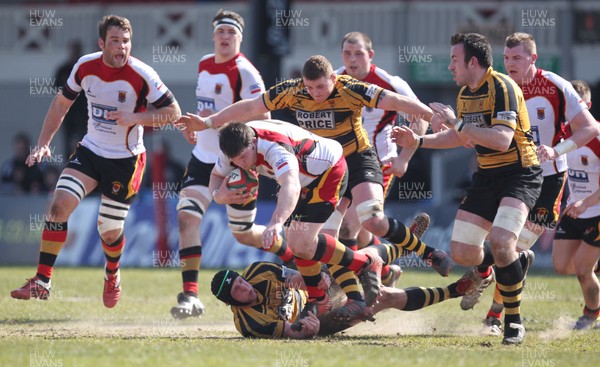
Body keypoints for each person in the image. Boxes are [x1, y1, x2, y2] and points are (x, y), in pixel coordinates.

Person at [178, 54, 451, 286]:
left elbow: (395, 101)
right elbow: (251, 106)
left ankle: (427, 254)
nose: (315, 94)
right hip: (322, 170)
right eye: (310, 87)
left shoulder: (350, 88)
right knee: (328, 242)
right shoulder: (292, 91)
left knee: (373, 220)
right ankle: (377, 276)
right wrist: (209, 122)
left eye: (320, 87)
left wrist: (432, 116)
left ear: (333, 79)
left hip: (357, 158)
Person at [10, 15, 181, 309]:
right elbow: (61, 103)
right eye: (115, 41)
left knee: (109, 230)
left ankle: (112, 273)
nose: (121, 47)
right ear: (102, 43)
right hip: (90, 151)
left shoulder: (142, 73)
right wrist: (43, 144)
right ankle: (42, 281)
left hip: (126, 161)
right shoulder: (85, 66)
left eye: (126, 41)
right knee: (57, 206)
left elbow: (174, 112)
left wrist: (136, 117)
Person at [393, 33, 540, 345]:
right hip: (487, 177)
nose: (449, 67)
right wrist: (417, 142)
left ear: (473, 62)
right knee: (463, 253)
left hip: (520, 174)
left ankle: (513, 322)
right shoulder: (464, 95)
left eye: (454, 60)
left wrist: (455, 123)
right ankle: (512, 261)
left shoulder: (502, 87)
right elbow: (461, 139)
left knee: (501, 241)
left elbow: (501, 139)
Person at [473, 32, 600, 334]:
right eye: (506, 58)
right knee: (499, 245)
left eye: (517, 58)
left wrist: (558, 150)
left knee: (511, 248)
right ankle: (487, 276)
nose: (510, 64)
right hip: (510, 176)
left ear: (533, 58)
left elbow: (590, 127)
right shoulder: (500, 88)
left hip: (549, 180)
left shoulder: (555, 86)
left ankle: (494, 316)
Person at [208, 120, 385, 329]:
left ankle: (364, 265)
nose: (241, 165)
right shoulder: (235, 144)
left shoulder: (275, 148)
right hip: (303, 181)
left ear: (254, 143)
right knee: (300, 244)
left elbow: (291, 186)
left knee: (300, 242)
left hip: (327, 173)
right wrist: (219, 196)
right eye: (235, 161)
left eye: (244, 157)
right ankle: (321, 300)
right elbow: (216, 175)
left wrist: (276, 222)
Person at [170, 9, 287, 320]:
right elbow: (208, 108)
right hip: (202, 160)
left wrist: (218, 127)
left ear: (240, 38)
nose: (225, 37)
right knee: (186, 219)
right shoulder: (204, 64)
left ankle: (297, 255)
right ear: (213, 35)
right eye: (221, 31)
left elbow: (264, 117)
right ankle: (190, 296)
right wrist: (194, 126)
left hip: (236, 164)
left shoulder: (246, 72)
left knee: (244, 234)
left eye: (231, 33)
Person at [335, 32, 443, 285]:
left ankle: (346, 291)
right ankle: (387, 271)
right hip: (343, 166)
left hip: (377, 164)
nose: (352, 60)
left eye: (358, 54)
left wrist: (405, 157)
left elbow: (420, 119)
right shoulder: (333, 81)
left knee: (350, 226)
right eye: (347, 54)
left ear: (370, 55)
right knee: (362, 232)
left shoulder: (390, 83)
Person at [210, 259, 475, 339]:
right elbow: (293, 332)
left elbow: (296, 275)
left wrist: (312, 279)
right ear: (230, 303)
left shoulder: (258, 271)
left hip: (316, 292)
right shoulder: (249, 324)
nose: (245, 288)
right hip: (316, 319)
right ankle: (456, 290)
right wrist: (309, 331)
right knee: (379, 299)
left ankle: (399, 251)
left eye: (241, 281)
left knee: (350, 263)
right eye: (237, 292)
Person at [542, 80, 600, 330]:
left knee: (583, 269)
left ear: (586, 106)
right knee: (561, 266)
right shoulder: (561, 134)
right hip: (573, 210)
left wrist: (585, 202)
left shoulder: (596, 136)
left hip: (595, 211)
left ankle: (592, 313)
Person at [54, 40, 88, 156]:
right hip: (67, 111)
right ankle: (67, 164)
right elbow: (56, 88)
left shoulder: (85, 69)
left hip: (83, 112)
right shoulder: (63, 70)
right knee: (67, 140)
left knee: (83, 139)